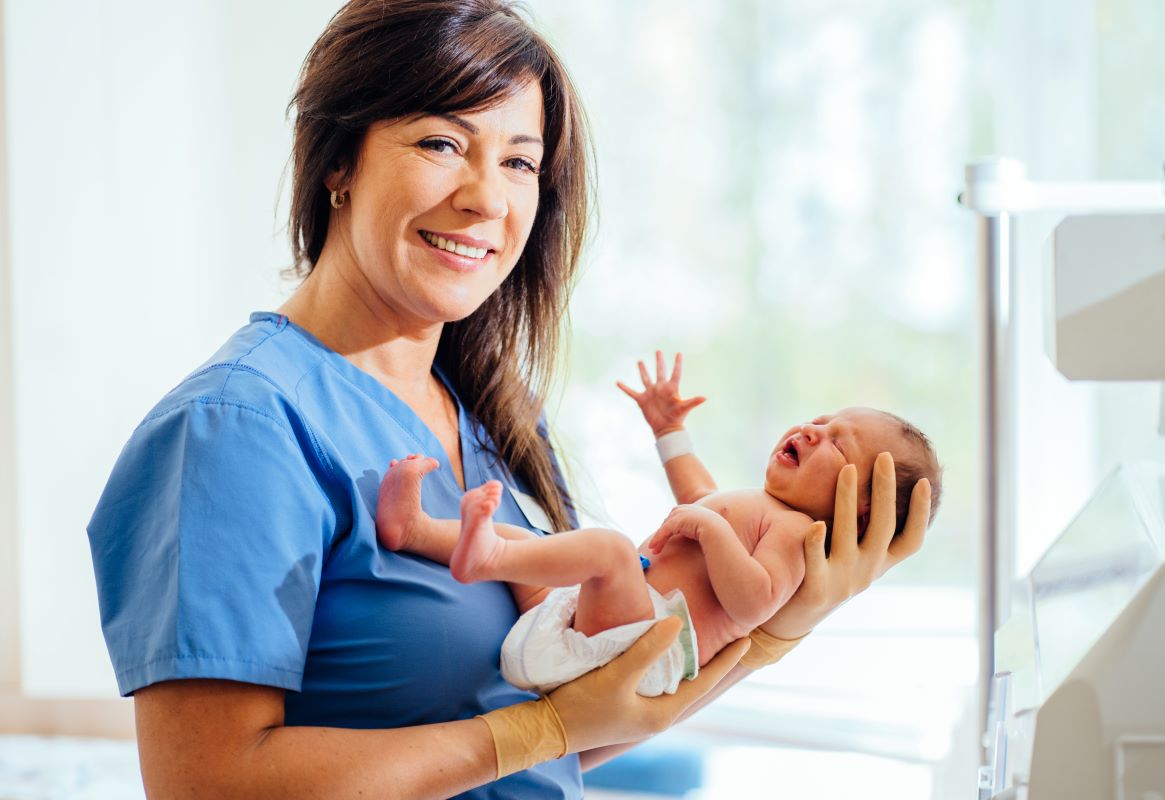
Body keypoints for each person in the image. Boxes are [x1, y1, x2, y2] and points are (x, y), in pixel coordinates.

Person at [84, 2, 932, 798]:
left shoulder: (489, 414)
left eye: (519, 161)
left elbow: (592, 711)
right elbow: (211, 784)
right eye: (441, 144)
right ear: (338, 159)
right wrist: (528, 735)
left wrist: (781, 630)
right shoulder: (238, 430)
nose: (486, 197)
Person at [376, 352, 942, 697]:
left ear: (857, 511)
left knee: (610, 551)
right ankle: (417, 530)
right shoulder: (756, 506)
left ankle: (486, 560)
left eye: (840, 442)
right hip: (600, 621)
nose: (815, 430)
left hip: (643, 652)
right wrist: (668, 429)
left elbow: (752, 604)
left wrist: (710, 529)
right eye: (822, 419)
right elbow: (696, 493)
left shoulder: (800, 538)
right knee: (532, 541)